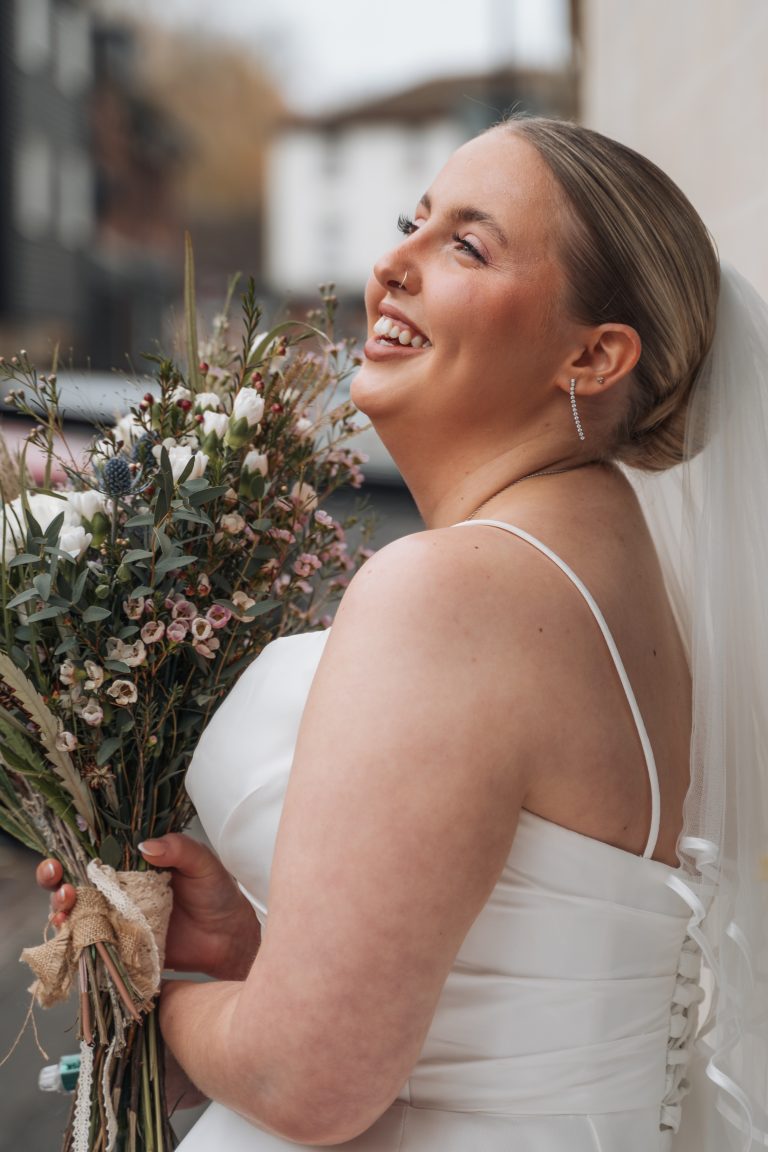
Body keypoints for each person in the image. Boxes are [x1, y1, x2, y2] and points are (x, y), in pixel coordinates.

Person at [39, 117, 768, 1151]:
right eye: (411, 224)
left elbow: (313, 1081)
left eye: (466, 246)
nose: (391, 265)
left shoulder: (455, 591)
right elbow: (499, 983)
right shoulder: (613, 578)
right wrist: (252, 952)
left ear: (595, 355)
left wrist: (149, 1014)